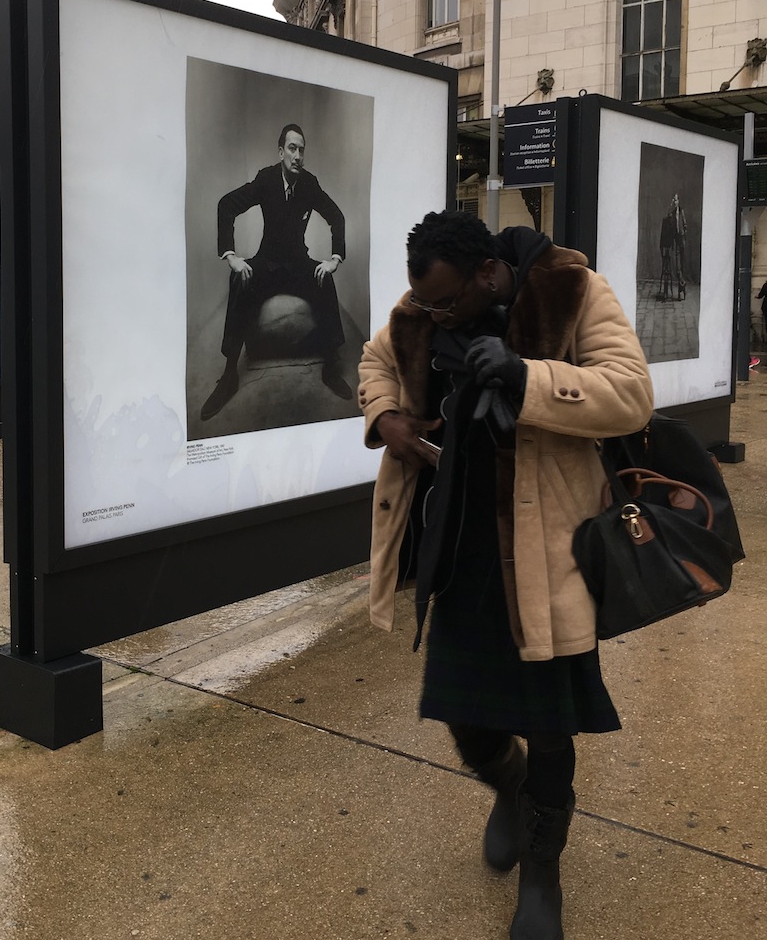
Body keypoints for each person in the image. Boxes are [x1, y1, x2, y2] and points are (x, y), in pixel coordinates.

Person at [358, 210, 653, 940]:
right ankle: (511, 785)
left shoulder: (571, 290)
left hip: (547, 552)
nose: (432, 315)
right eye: (424, 304)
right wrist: (388, 416)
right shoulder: (423, 306)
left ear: (489, 274)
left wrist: (529, 378)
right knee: (465, 715)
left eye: (446, 303)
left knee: (549, 725)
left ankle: (543, 871)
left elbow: (632, 392)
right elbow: (373, 361)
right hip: (459, 552)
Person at [200, 123, 352, 420]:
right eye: (292, 149)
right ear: (281, 152)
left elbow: (337, 216)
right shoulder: (266, 179)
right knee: (239, 278)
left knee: (325, 280)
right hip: (267, 263)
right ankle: (230, 374)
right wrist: (231, 256)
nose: (298, 156)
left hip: (297, 264)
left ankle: (330, 368)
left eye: (302, 150)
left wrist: (334, 259)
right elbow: (226, 205)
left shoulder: (309, 183)